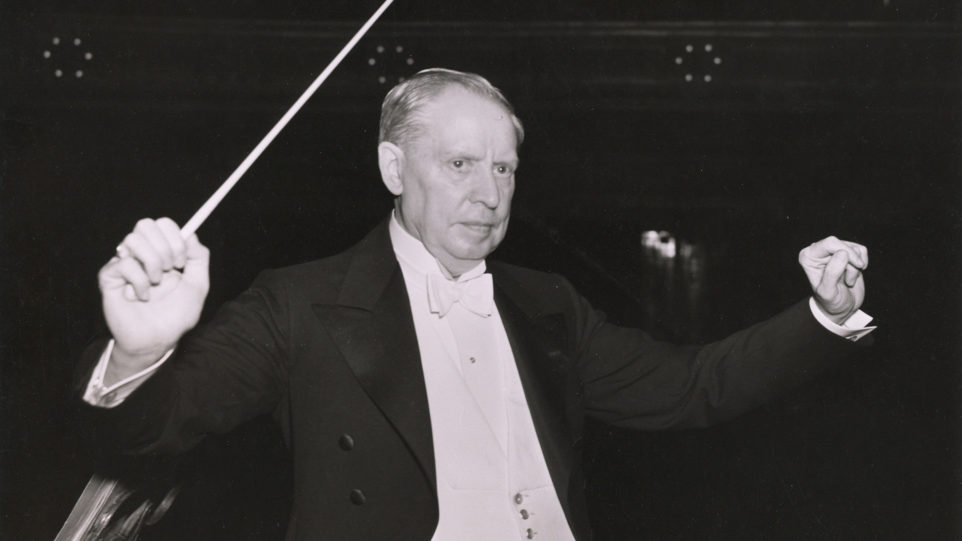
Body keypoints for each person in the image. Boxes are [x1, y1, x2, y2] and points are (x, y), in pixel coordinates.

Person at [79, 68, 874, 540]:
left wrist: (823, 316)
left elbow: (692, 385)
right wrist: (141, 353)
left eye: (505, 168)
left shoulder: (549, 303)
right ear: (394, 167)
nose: (490, 193)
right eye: (460, 163)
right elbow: (156, 427)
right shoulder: (301, 302)